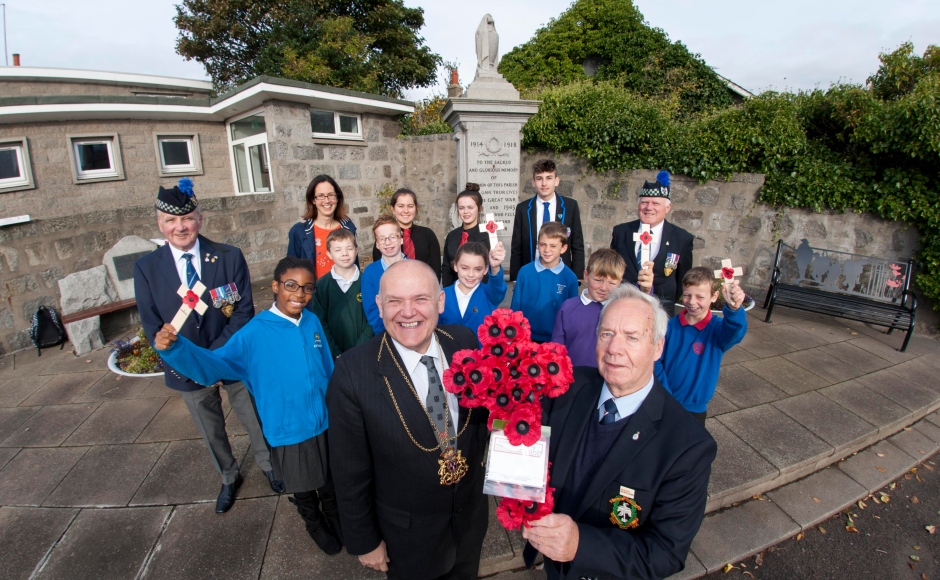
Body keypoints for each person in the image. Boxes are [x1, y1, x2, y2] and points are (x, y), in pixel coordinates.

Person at [522, 284, 718, 580]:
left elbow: (666, 552)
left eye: (632, 337)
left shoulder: (687, 446)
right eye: (607, 334)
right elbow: (526, 439)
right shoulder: (567, 389)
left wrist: (580, 545)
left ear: (658, 347)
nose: (614, 348)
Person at [151, 257, 343, 555]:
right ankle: (313, 521)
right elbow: (215, 366)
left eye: (307, 288)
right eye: (291, 285)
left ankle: (334, 515)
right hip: (289, 427)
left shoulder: (312, 321)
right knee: (304, 485)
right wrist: (177, 348)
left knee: (330, 480)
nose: (299, 294)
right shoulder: (254, 334)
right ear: (276, 286)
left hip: (324, 421)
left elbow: (327, 368)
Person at [327, 260, 491, 580]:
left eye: (420, 299)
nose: (407, 312)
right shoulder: (353, 373)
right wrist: (365, 541)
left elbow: (482, 419)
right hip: (409, 540)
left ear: (440, 301)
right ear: (379, 305)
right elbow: (349, 472)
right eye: (395, 301)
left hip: (469, 522)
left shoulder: (464, 343)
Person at [133, 178, 281, 514]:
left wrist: (215, 356)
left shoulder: (228, 257)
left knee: (253, 415)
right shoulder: (146, 268)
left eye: (186, 219)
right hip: (185, 365)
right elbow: (152, 322)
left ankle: (270, 465)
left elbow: (243, 310)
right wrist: (192, 360)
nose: (180, 227)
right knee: (209, 426)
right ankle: (229, 476)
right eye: (170, 220)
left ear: (199, 218)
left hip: (230, 357)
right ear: (160, 223)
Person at [655, 267, 748, 424]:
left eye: (700, 297)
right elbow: (656, 360)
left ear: (714, 296)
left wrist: (734, 309)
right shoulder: (669, 326)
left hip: (694, 409)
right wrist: (665, 393)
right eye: (687, 295)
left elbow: (735, 331)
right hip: (665, 402)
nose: (692, 302)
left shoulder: (717, 330)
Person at [610, 170, 693, 315]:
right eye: (644, 202)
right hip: (624, 303)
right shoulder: (621, 232)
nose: (649, 207)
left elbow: (683, 280)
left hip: (660, 308)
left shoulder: (682, 238)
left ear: (668, 207)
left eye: (655, 203)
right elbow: (612, 270)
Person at [510, 159, 584, 281]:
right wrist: (516, 279)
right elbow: (516, 248)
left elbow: (577, 245)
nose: (544, 183)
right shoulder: (523, 209)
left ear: (556, 181)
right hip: (532, 274)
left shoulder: (570, 206)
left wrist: (577, 278)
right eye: (539, 178)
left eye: (549, 178)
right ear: (533, 182)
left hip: (561, 275)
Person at [551, 249, 625, 367]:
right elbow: (556, 349)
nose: (604, 288)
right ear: (586, 275)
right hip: (573, 378)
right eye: (598, 280)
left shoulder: (621, 311)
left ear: (620, 282)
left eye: (612, 283)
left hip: (608, 380)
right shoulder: (568, 308)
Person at [510, 222, 579, 343]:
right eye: (543, 244)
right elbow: (516, 307)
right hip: (526, 338)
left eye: (553, 246)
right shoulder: (525, 272)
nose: (547, 250)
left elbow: (572, 315)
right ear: (537, 245)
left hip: (556, 340)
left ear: (563, 248)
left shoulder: (570, 278)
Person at [311, 228, 373, 357]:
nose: (344, 254)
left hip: (364, 351)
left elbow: (373, 317)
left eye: (349, 248)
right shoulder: (321, 286)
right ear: (329, 254)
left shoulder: (367, 282)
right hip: (334, 355)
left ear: (356, 250)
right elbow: (319, 322)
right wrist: (335, 352)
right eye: (338, 250)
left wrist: (360, 348)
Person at [286, 174, 358, 287]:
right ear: (313, 200)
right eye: (320, 196)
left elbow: (354, 266)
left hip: (345, 295)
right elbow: (290, 272)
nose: (326, 200)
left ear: (337, 198)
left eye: (331, 195)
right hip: (314, 298)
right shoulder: (300, 232)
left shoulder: (348, 228)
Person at [440, 241, 507, 339]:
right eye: (465, 268)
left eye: (478, 269)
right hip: (448, 353)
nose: (471, 274)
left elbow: (498, 289)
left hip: (481, 353)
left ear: (485, 270)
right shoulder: (442, 295)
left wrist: (495, 267)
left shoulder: (489, 294)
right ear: (455, 266)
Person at [372, 188, 442, 280]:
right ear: (392, 209)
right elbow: (379, 270)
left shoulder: (428, 235)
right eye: (401, 206)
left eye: (410, 206)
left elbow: (435, 269)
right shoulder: (385, 239)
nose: (406, 210)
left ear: (416, 209)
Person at [362, 214, 406, 334]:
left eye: (392, 237)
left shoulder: (417, 268)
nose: (387, 242)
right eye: (382, 238)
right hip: (386, 334)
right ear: (377, 244)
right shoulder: (370, 274)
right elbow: (372, 312)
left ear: (401, 239)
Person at [442, 184, 492, 288]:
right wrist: (448, 291)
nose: (465, 212)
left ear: (479, 209)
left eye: (470, 207)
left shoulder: (486, 236)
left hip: (479, 292)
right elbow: (446, 268)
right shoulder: (452, 236)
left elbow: (488, 269)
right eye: (461, 208)